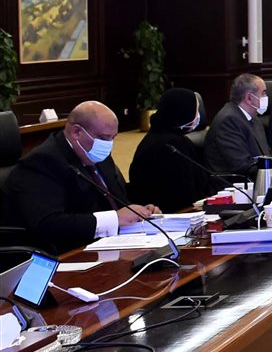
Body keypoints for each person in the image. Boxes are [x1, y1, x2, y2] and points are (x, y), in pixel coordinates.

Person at [2, 101, 162, 255]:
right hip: (71, 251)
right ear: (76, 132)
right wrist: (115, 219)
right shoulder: (42, 161)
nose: (109, 145)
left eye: (113, 138)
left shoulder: (97, 154)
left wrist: (139, 211)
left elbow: (115, 199)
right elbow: (48, 223)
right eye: (103, 138)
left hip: (117, 243)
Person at [128, 88, 214, 213]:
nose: (198, 116)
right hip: (169, 215)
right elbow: (185, 195)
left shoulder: (160, 136)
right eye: (196, 110)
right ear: (183, 111)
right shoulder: (170, 145)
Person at [207, 74, 272, 176]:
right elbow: (242, 166)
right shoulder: (229, 121)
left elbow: (266, 153)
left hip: (260, 179)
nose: (266, 97)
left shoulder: (253, 117)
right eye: (263, 93)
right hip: (236, 182)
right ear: (249, 98)